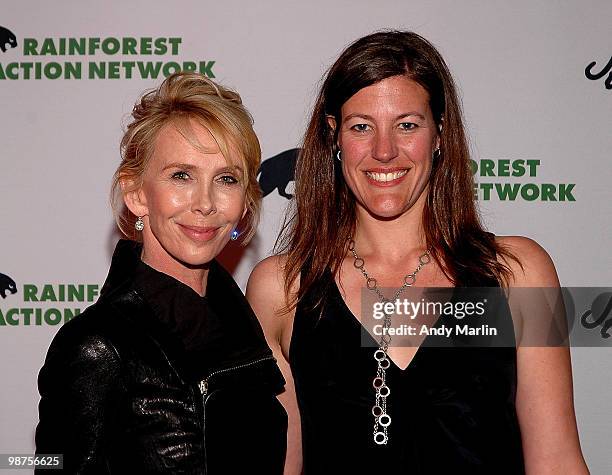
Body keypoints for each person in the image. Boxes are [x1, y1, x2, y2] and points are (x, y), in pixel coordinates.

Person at [247, 31, 589, 474]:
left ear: (440, 134)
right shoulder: (282, 288)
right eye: (361, 126)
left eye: (407, 125)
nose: (384, 151)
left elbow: (557, 461)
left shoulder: (516, 274)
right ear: (334, 137)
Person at [35, 72, 287, 474]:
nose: (204, 203)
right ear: (136, 194)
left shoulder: (246, 333)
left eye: (226, 179)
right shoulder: (96, 347)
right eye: (181, 176)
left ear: (244, 200)